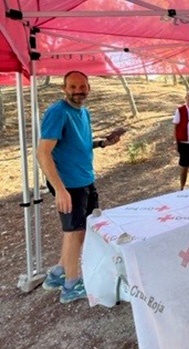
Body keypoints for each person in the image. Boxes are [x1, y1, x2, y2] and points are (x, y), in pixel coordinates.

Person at [36, 70, 123, 304]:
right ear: (64, 89)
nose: (78, 91)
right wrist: (60, 189)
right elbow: (42, 153)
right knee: (73, 232)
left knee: (80, 231)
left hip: (85, 180)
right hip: (69, 184)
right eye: (73, 87)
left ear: (89, 88)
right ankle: (71, 285)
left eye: (82, 86)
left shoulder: (84, 112)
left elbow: (79, 145)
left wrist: (103, 143)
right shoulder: (58, 112)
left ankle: (58, 273)